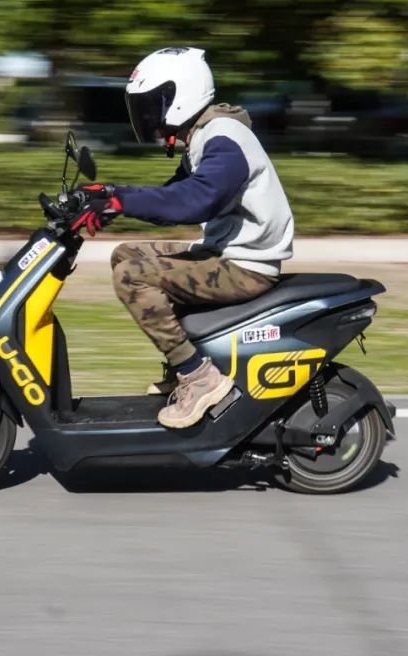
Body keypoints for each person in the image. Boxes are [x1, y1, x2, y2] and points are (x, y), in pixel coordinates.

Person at [71, 46, 294, 429]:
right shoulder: (205, 135)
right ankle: (193, 360)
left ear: (181, 95)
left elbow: (193, 201)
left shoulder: (225, 138)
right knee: (126, 255)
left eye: (153, 104)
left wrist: (119, 198)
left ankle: (198, 376)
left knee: (133, 276)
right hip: (223, 252)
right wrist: (107, 198)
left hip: (244, 265)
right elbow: (170, 196)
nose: (148, 116)